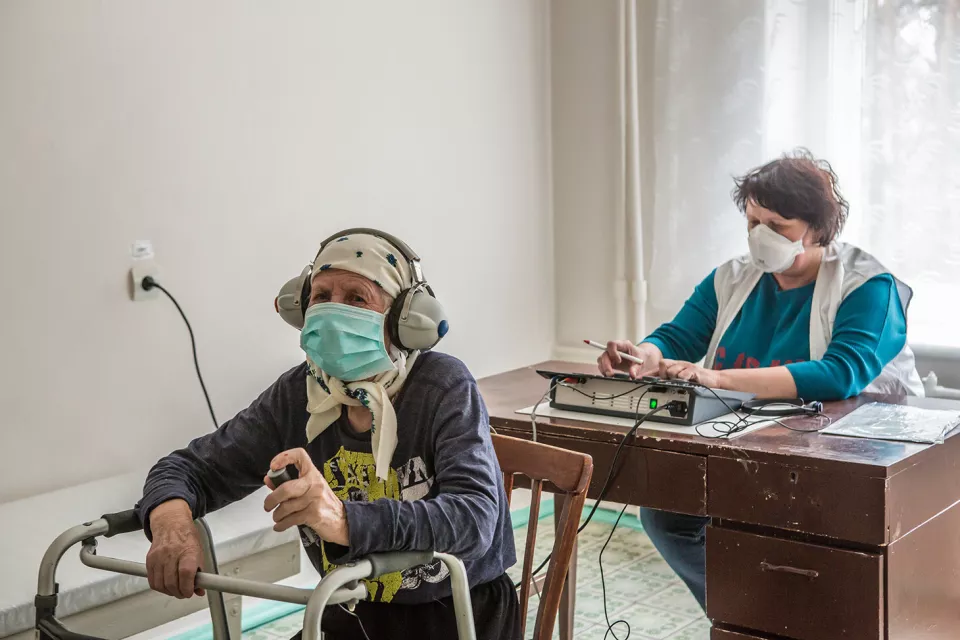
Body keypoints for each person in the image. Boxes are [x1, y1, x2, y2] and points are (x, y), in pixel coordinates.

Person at [136, 229, 521, 640]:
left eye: (357, 298)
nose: (334, 312)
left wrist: (342, 520)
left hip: (459, 615)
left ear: (402, 320)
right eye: (321, 296)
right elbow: (190, 469)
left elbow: (474, 518)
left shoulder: (443, 385)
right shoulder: (298, 394)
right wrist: (173, 526)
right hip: (353, 610)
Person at [597, 149, 923, 611]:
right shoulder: (732, 278)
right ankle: (747, 614)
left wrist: (716, 377)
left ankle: (765, 615)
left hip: (850, 455)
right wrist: (645, 354)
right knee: (667, 515)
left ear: (817, 229)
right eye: (753, 223)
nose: (760, 236)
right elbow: (678, 336)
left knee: (798, 549)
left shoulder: (867, 286)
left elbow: (840, 374)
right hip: (754, 442)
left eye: (777, 226)